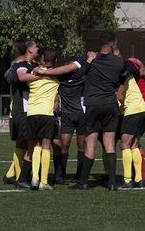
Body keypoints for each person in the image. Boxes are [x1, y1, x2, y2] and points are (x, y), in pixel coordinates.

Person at [72, 32, 139, 190]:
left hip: (93, 105)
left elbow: (77, 75)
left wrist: (88, 61)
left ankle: (83, 182)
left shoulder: (92, 60)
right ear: (112, 45)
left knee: (91, 144)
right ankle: (112, 182)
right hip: (110, 104)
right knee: (109, 144)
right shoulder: (118, 62)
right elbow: (131, 70)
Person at [33, 53, 96, 184]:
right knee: (64, 145)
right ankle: (62, 173)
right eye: (67, 67)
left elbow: (85, 70)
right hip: (66, 115)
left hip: (81, 115)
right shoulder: (60, 79)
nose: (70, 69)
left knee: (81, 145)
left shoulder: (82, 77)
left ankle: (79, 173)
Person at [6, 38, 42, 188]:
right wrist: (44, 76)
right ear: (30, 50)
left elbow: (8, 75)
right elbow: (20, 75)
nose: (38, 49)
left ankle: (14, 176)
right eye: (36, 47)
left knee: (22, 144)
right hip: (24, 110)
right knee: (33, 144)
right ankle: (23, 178)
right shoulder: (22, 66)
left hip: (20, 111)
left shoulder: (22, 64)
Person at [27, 48, 60, 190]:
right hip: (47, 113)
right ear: (56, 60)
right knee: (46, 146)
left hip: (32, 112)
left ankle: (34, 178)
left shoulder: (34, 73)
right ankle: (44, 182)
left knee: (36, 146)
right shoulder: (56, 76)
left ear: (42, 59)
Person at [116, 59, 145, 189]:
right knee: (134, 145)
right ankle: (139, 179)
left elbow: (119, 97)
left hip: (133, 111)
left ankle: (127, 180)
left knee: (124, 145)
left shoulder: (121, 79)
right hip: (143, 109)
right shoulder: (129, 74)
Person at [127, 58, 145, 186]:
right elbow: (143, 71)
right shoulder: (132, 64)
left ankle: (140, 177)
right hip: (143, 105)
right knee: (133, 142)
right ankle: (138, 176)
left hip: (142, 105)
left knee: (133, 143)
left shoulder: (128, 65)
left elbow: (142, 72)